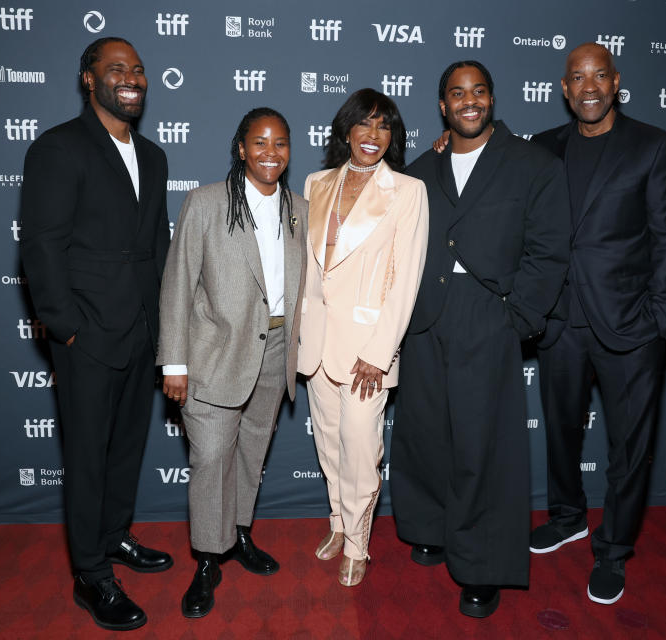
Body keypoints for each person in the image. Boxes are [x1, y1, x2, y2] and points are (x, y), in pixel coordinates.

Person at [390, 60, 570, 618]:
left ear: (492, 99)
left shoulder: (533, 165)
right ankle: (432, 527)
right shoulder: (421, 169)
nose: (469, 102)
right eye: (457, 94)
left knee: (483, 445)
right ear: (442, 106)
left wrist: (517, 318)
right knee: (425, 432)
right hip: (426, 315)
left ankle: (483, 564)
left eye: (479, 92)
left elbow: (549, 250)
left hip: (488, 314)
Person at [528, 42, 666, 605]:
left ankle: (614, 549)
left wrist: (660, 323)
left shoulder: (654, 146)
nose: (589, 86)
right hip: (562, 323)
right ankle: (568, 516)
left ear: (615, 82)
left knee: (627, 447)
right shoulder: (544, 148)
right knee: (561, 430)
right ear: (565, 88)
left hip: (630, 328)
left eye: (600, 75)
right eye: (578, 77)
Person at [20, 37, 172, 631]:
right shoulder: (59, 147)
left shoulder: (153, 156)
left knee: (125, 449)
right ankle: (90, 573)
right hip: (87, 333)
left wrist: (167, 330)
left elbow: (156, 247)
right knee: (86, 458)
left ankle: (113, 537)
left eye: (137, 70)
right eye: (116, 70)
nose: (130, 78)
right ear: (90, 80)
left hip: (141, 330)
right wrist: (67, 329)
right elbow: (41, 245)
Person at [157, 107, 307, 618]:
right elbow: (177, 283)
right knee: (210, 459)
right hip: (214, 355)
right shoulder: (206, 203)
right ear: (241, 148)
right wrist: (173, 362)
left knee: (250, 454)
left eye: (281, 143)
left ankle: (239, 533)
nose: (271, 152)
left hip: (277, 350)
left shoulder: (299, 209)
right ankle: (207, 558)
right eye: (260, 143)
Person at [298, 89, 428, 587]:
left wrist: (380, 352)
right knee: (329, 444)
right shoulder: (316, 182)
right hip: (317, 341)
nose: (373, 136)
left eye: (384, 127)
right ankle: (337, 523)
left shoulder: (408, 191)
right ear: (346, 130)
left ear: (392, 138)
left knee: (359, 444)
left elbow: (407, 277)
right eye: (364, 125)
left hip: (366, 349)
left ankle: (358, 541)